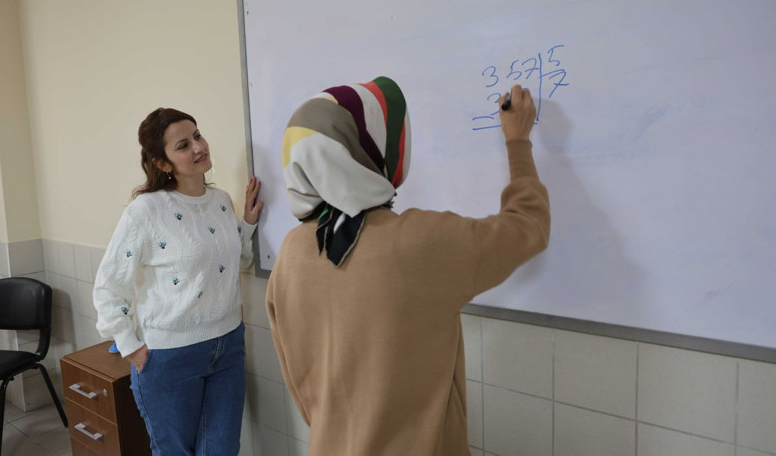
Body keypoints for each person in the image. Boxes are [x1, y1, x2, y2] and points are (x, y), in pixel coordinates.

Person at [266, 78, 549, 455]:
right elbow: (529, 226)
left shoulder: (291, 252)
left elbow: (298, 382)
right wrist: (518, 142)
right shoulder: (420, 241)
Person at [93, 107, 263, 455]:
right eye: (183, 145)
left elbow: (236, 261)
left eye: (197, 135)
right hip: (169, 356)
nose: (199, 147)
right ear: (162, 163)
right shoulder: (145, 211)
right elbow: (110, 284)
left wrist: (246, 221)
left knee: (221, 450)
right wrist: (130, 346)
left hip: (228, 345)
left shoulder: (220, 201)